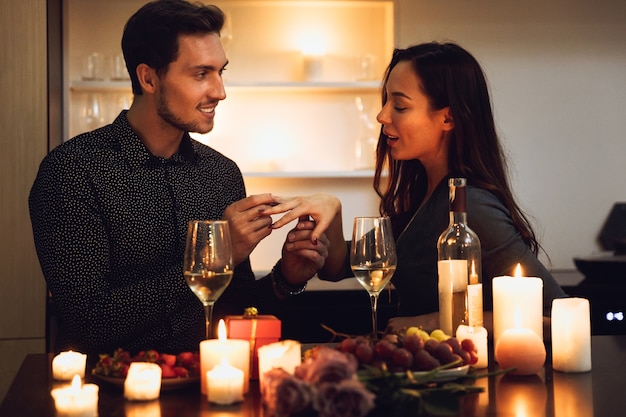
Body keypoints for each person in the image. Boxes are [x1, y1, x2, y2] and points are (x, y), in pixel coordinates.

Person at [29, 0, 341, 356]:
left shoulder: (221, 173)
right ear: (148, 78)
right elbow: (87, 322)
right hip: (111, 396)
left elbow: (233, 307)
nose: (220, 91)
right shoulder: (72, 171)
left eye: (221, 71)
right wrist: (213, 259)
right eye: (201, 74)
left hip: (212, 390)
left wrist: (286, 278)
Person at [289, 42, 567, 331]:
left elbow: (554, 319)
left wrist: (434, 322)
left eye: (399, 105)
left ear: (448, 117)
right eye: (386, 102)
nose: (382, 116)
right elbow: (340, 267)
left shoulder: (472, 207)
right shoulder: (424, 197)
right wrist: (331, 210)